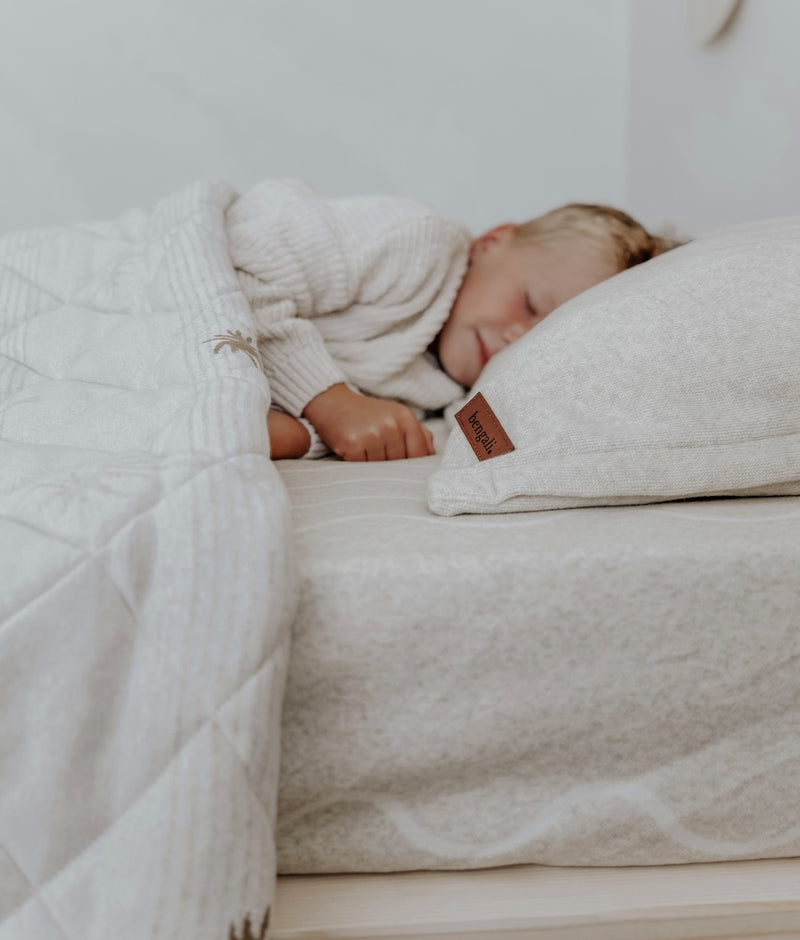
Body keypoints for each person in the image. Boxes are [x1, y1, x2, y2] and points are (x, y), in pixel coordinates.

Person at [225, 180, 680, 461]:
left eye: (547, 338)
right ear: (491, 243)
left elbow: (367, 433)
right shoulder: (416, 244)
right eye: (529, 304)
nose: (518, 337)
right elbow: (247, 270)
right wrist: (329, 401)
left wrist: (294, 435)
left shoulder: (456, 395)